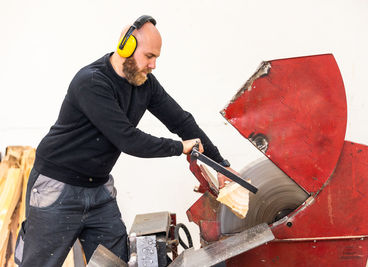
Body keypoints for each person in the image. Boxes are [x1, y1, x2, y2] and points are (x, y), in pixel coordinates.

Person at [14, 15, 233, 266]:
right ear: (126, 47)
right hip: (58, 187)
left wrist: (221, 165)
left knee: (115, 262)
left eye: (156, 58)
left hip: (98, 189)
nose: (153, 65)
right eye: (149, 56)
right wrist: (178, 147)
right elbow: (128, 139)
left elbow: (181, 121)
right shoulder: (92, 82)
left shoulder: (144, 83)